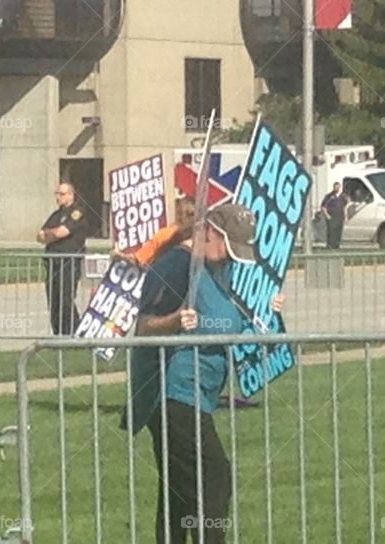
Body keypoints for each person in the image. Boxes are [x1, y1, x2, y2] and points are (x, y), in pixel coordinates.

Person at [123, 203, 283, 544]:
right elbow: (141, 327)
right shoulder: (175, 264)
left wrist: (270, 313)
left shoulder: (216, 267)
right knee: (214, 478)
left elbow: (229, 322)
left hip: (199, 395)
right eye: (228, 246)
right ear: (209, 231)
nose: (230, 257)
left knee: (180, 493)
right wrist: (176, 319)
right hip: (172, 392)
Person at [37, 183, 88, 335]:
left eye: (62, 194)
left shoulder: (77, 212)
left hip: (69, 262)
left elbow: (62, 232)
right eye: (57, 194)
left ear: (71, 195)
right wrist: (51, 234)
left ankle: (74, 332)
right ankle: (58, 334)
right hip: (53, 263)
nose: (58, 197)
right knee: (53, 301)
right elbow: (39, 236)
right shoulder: (56, 215)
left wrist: (49, 234)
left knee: (66, 300)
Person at [320, 182, 348, 249]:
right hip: (331, 216)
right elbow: (323, 207)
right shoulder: (329, 196)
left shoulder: (342, 197)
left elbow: (345, 207)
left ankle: (337, 246)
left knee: (338, 231)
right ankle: (330, 246)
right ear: (333, 187)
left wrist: (346, 216)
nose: (337, 188)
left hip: (340, 216)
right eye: (336, 187)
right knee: (332, 232)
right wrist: (327, 215)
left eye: (338, 187)